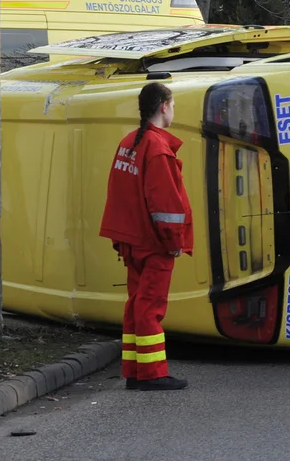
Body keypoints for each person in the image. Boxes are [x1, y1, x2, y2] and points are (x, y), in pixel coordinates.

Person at [101, 82, 193, 391]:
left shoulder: (129, 142)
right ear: (164, 106)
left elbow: (120, 194)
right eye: (174, 104)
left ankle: (135, 370)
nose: (173, 110)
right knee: (150, 306)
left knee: (136, 303)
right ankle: (153, 374)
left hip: (132, 240)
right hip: (154, 244)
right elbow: (165, 205)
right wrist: (174, 242)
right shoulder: (158, 148)